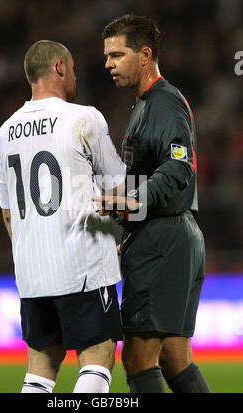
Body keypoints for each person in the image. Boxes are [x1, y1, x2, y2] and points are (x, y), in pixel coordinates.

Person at [0, 40, 126, 393]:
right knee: (97, 358)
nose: (76, 75)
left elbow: (8, 215)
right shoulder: (84, 118)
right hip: (82, 267)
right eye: (74, 67)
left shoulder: (3, 133)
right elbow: (122, 189)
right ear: (60, 68)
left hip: (32, 274)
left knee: (40, 369)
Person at [94, 14, 211, 393]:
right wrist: (128, 231)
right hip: (168, 236)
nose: (108, 63)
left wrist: (129, 200)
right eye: (107, 55)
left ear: (145, 56)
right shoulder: (148, 103)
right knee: (174, 357)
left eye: (117, 54)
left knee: (137, 358)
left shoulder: (163, 101)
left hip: (164, 240)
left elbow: (178, 166)